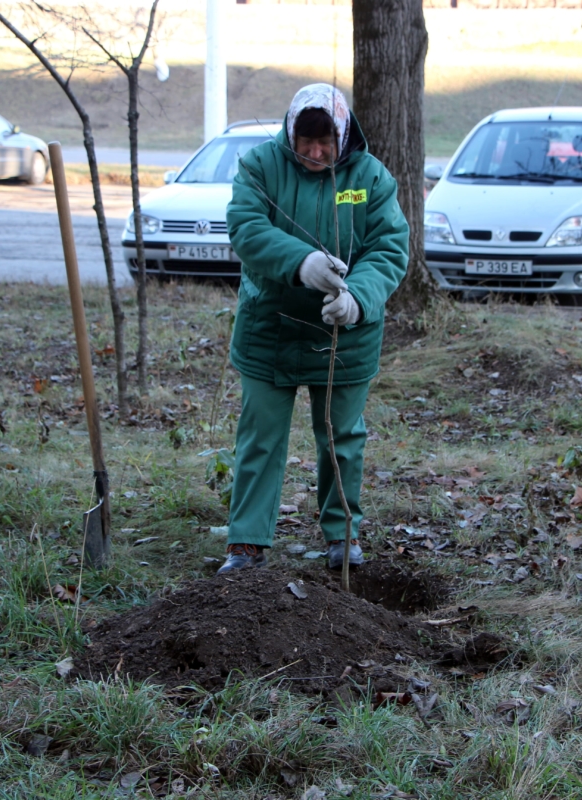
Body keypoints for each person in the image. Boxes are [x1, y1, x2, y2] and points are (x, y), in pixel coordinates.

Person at [219, 83, 409, 572]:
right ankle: (246, 542)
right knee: (260, 436)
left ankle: (343, 535)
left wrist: (356, 299)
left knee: (341, 437)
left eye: (325, 142)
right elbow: (246, 228)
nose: (315, 152)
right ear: (290, 134)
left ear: (342, 135)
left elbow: (389, 247)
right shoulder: (261, 166)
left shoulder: (370, 178)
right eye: (306, 141)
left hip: (345, 334)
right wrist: (302, 263)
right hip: (271, 325)